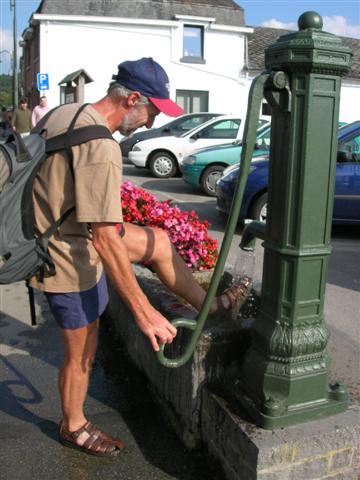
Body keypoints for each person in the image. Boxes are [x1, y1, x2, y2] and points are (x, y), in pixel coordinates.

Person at [29, 57, 246, 458]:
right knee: (83, 351)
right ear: (132, 98)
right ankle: (73, 425)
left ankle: (211, 307)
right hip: (64, 251)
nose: (150, 123)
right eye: (152, 111)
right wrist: (145, 312)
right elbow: (107, 240)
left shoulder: (65, 111)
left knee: (159, 242)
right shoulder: (102, 147)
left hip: (63, 225)